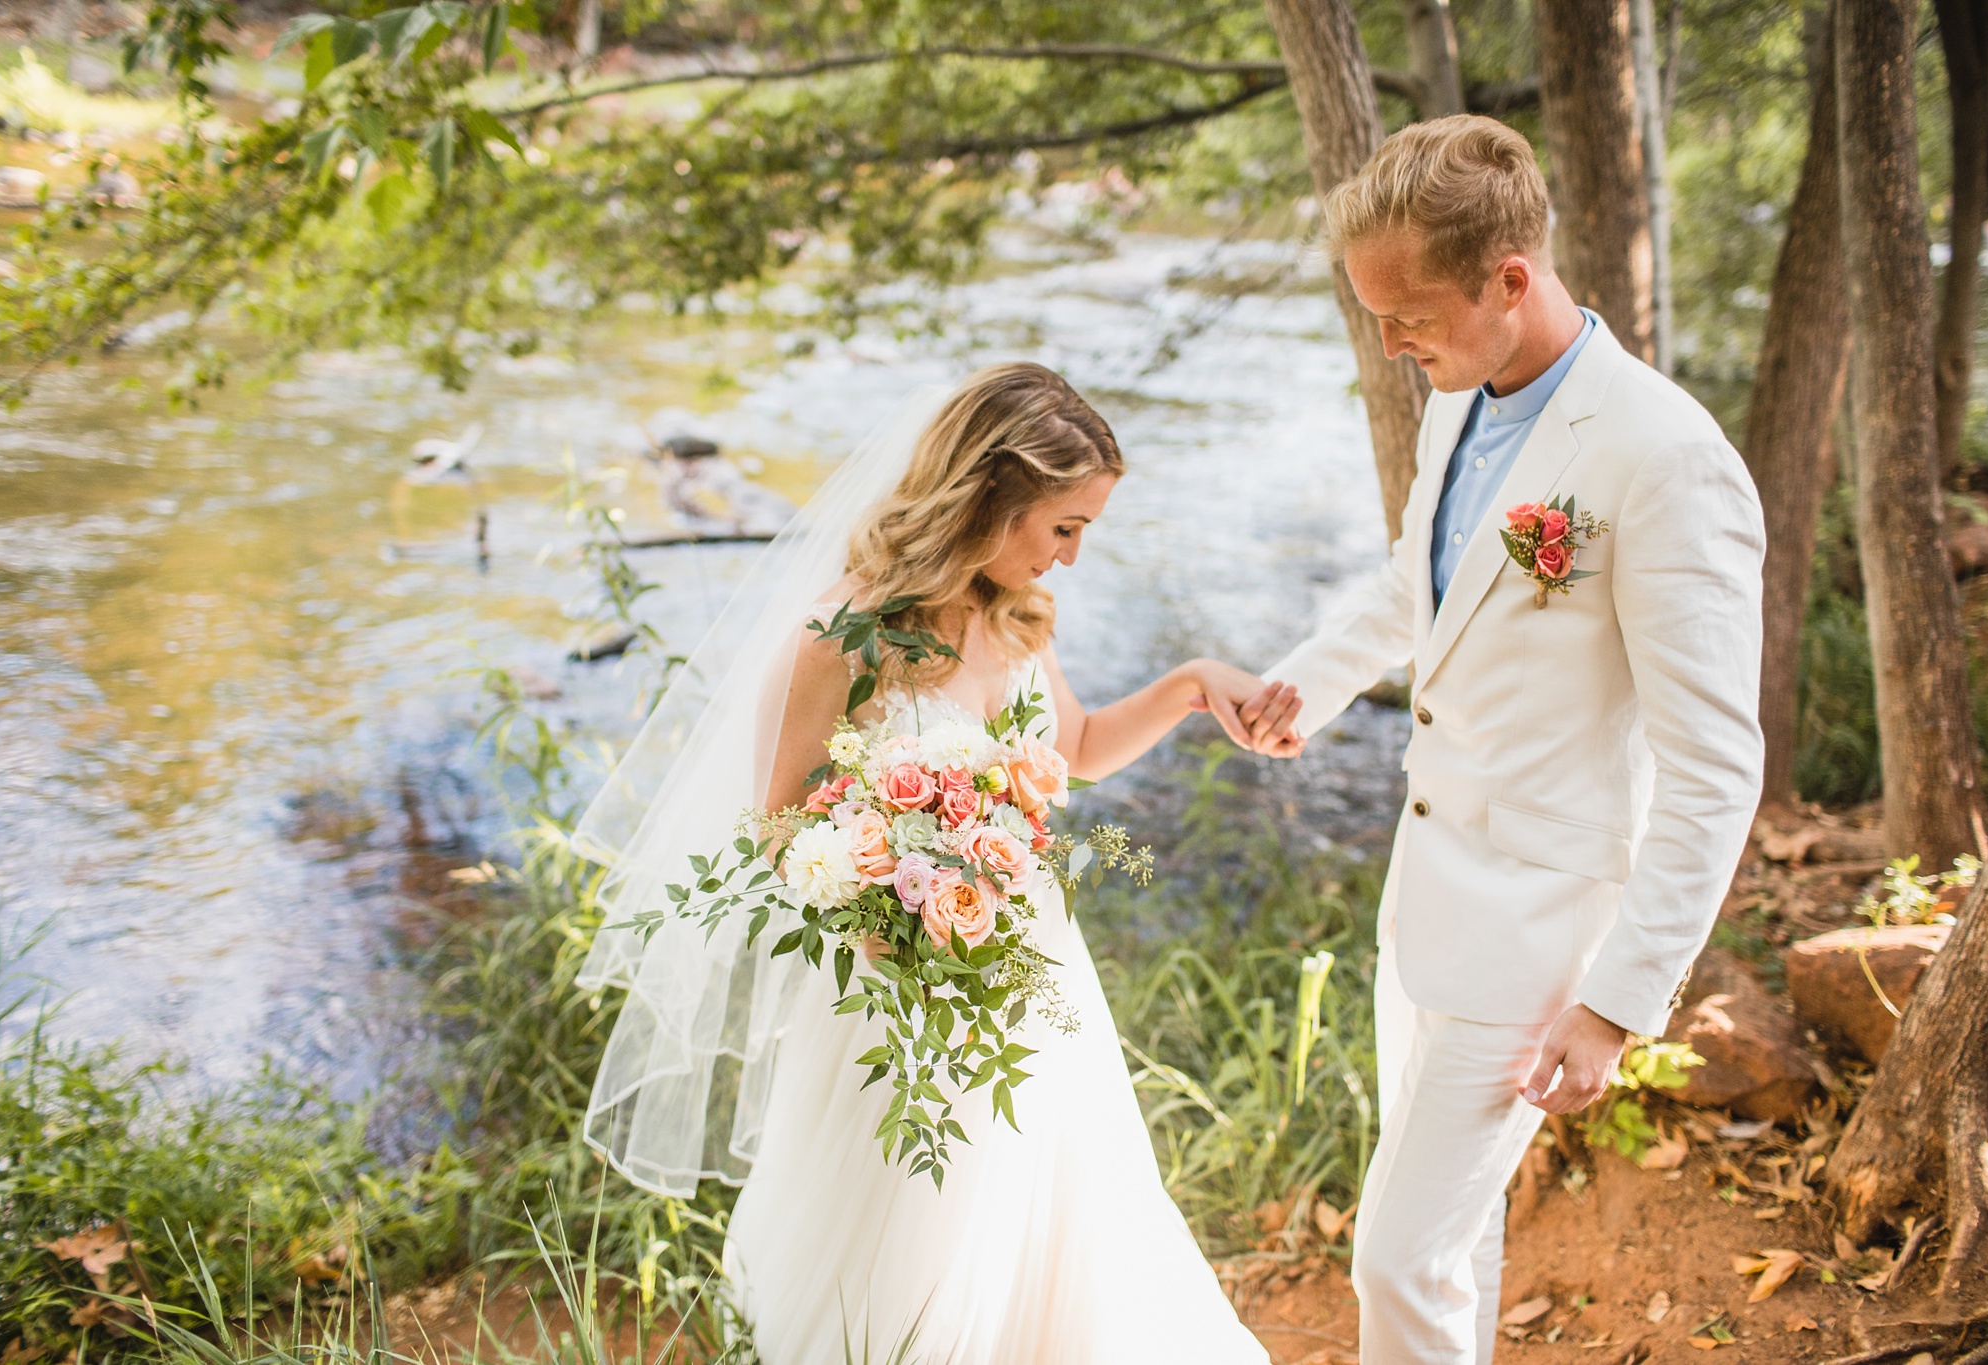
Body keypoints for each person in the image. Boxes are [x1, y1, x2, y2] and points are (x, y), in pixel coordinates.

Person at [571, 362, 1294, 1362]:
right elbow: (777, 824)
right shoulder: (842, 637)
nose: (1071, 558)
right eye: (1062, 528)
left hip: (1032, 977)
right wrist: (885, 915)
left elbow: (1072, 748)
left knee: (1049, 1223)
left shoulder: (1015, 610)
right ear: (989, 497)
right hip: (899, 987)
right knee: (914, 1237)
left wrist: (1190, 685)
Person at [1233, 115, 1765, 1365]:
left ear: (1507, 280)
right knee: (1453, 1245)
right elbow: (1415, 587)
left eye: (1406, 314)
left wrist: (1618, 1003)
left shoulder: (1664, 457)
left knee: (1396, 1254)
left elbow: (1711, 768)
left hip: (1538, 928)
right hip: (1422, 897)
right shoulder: (1454, 406)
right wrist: (1304, 686)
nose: (1389, 342)